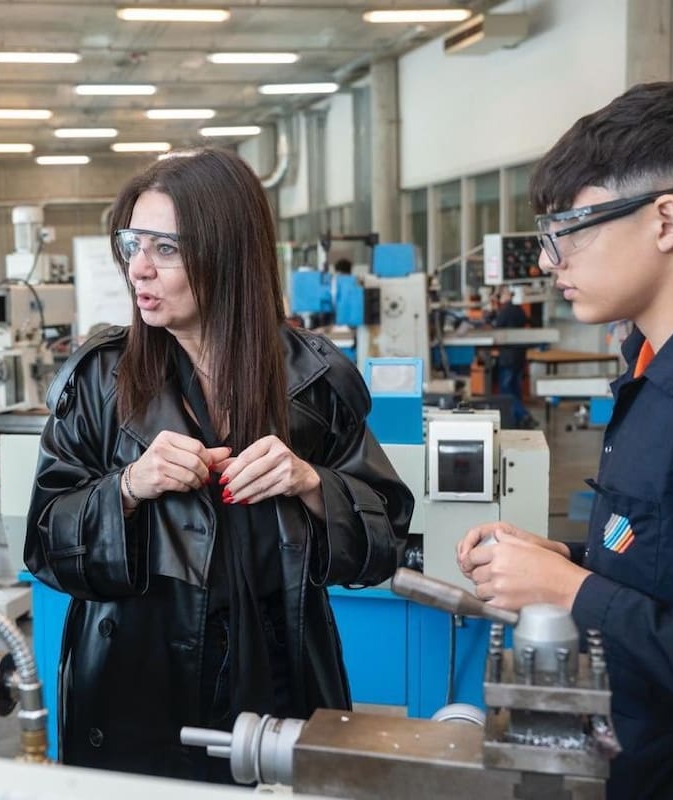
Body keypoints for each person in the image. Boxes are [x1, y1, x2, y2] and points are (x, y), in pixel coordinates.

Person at [25, 148, 414, 782]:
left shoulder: (312, 381)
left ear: (228, 254)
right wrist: (127, 487)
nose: (139, 270)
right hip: (133, 689)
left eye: (165, 250)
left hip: (278, 681)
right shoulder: (101, 381)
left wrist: (314, 484)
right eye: (131, 245)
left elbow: (386, 542)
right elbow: (45, 542)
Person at [457, 80, 673, 799]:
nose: (553, 262)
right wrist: (560, 560)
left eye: (572, 230)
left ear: (667, 221)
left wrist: (571, 590)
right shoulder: (656, 369)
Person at [488, 285, 539, 429]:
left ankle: (523, 416)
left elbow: (496, 327)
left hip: (508, 358)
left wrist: (492, 313)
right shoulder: (519, 309)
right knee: (515, 389)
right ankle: (518, 418)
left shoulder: (506, 310)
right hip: (519, 357)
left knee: (507, 391)